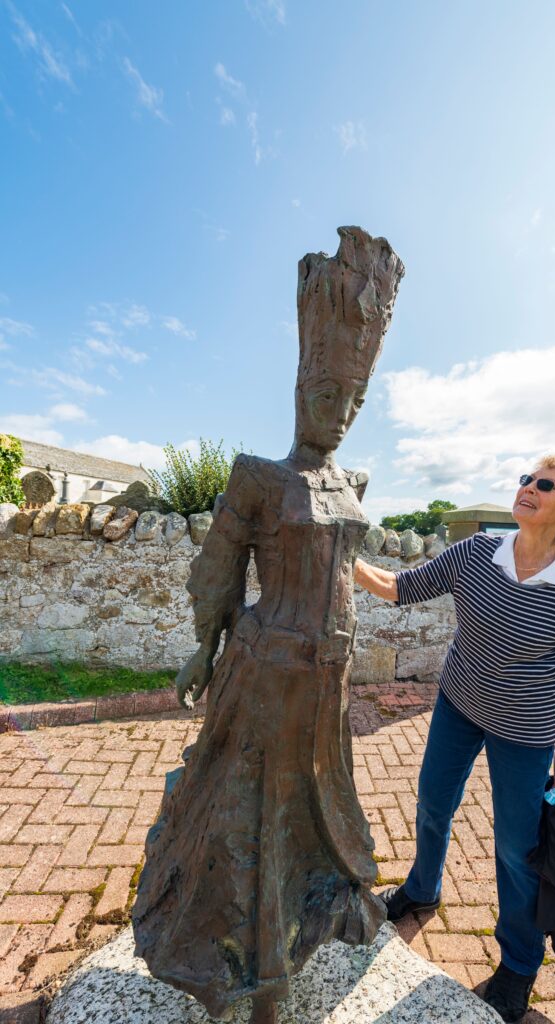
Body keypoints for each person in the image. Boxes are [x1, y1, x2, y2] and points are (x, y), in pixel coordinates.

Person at [132, 227, 404, 1024]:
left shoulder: (349, 482)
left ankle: (298, 937)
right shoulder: (257, 475)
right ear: (299, 391)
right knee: (246, 823)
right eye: (328, 397)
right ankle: (242, 973)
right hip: (263, 676)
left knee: (311, 823)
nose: (341, 414)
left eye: (353, 402)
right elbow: (215, 570)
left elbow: (347, 575)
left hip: (323, 690)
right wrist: (203, 647)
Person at [354, 455, 555, 1023]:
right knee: (432, 804)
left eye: (544, 485)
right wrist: (345, 560)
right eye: (526, 478)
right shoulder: (476, 554)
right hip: (458, 704)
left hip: (526, 731)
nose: (527, 488)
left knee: (518, 850)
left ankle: (518, 966)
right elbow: (402, 586)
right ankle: (422, 889)